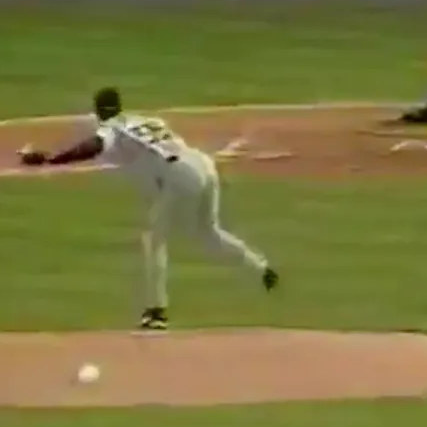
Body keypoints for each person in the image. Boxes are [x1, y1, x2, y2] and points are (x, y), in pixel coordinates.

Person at [17, 88, 279, 331]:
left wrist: (51, 159)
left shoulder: (111, 130)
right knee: (209, 232)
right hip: (203, 164)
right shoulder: (147, 121)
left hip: (181, 173)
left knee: (154, 239)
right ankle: (262, 268)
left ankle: (157, 312)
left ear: (98, 112)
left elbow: (93, 146)